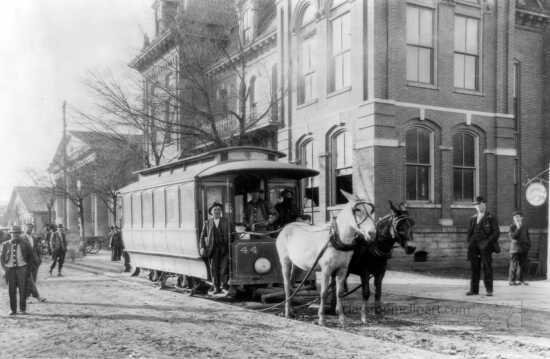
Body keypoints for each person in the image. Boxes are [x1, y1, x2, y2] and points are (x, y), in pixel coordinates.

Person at [466, 196, 500, 296]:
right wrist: (470, 243)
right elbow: (470, 233)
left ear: (484, 204)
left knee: (487, 267)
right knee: (474, 268)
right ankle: (474, 290)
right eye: (476, 205)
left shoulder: (491, 217)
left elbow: (496, 232)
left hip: (486, 247)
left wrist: (487, 243)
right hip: (474, 247)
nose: (478, 207)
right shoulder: (473, 218)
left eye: (479, 204)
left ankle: (489, 290)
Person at [1, 225, 36, 315]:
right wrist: (4, 270)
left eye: (17, 233)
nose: (15, 235)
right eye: (13, 233)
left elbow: (31, 258)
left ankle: (22, 309)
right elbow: (1, 258)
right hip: (10, 270)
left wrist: (28, 270)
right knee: (11, 290)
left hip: (22, 269)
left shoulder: (25, 243)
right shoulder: (5, 244)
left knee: (23, 289)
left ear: (20, 234)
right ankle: (13, 310)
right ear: (11, 234)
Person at [199, 202, 232, 294]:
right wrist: (202, 247)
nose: (217, 211)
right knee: (214, 269)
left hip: (224, 249)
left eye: (218, 210)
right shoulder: (207, 222)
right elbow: (202, 237)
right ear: (211, 212)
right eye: (215, 210)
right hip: (212, 250)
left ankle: (225, 286)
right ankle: (216, 288)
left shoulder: (226, 222)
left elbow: (233, 235)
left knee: (223, 269)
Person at [24, 223, 46, 302]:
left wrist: (39, 259)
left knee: (33, 279)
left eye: (31, 228)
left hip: (35, 262)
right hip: (25, 263)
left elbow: (37, 249)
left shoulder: (34, 238)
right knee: (29, 280)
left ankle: (28, 296)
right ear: (24, 228)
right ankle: (35, 297)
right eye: (28, 228)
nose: (29, 229)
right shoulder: (21, 238)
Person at [508, 210, 531, 286]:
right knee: (513, 265)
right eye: (514, 217)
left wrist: (528, 245)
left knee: (522, 265)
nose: (516, 219)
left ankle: (521, 280)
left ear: (522, 218)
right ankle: (512, 281)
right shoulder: (512, 227)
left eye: (518, 217)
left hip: (524, 248)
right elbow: (513, 236)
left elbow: (527, 236)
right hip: (515, 249)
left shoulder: (525, 226)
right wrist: (518, 228)